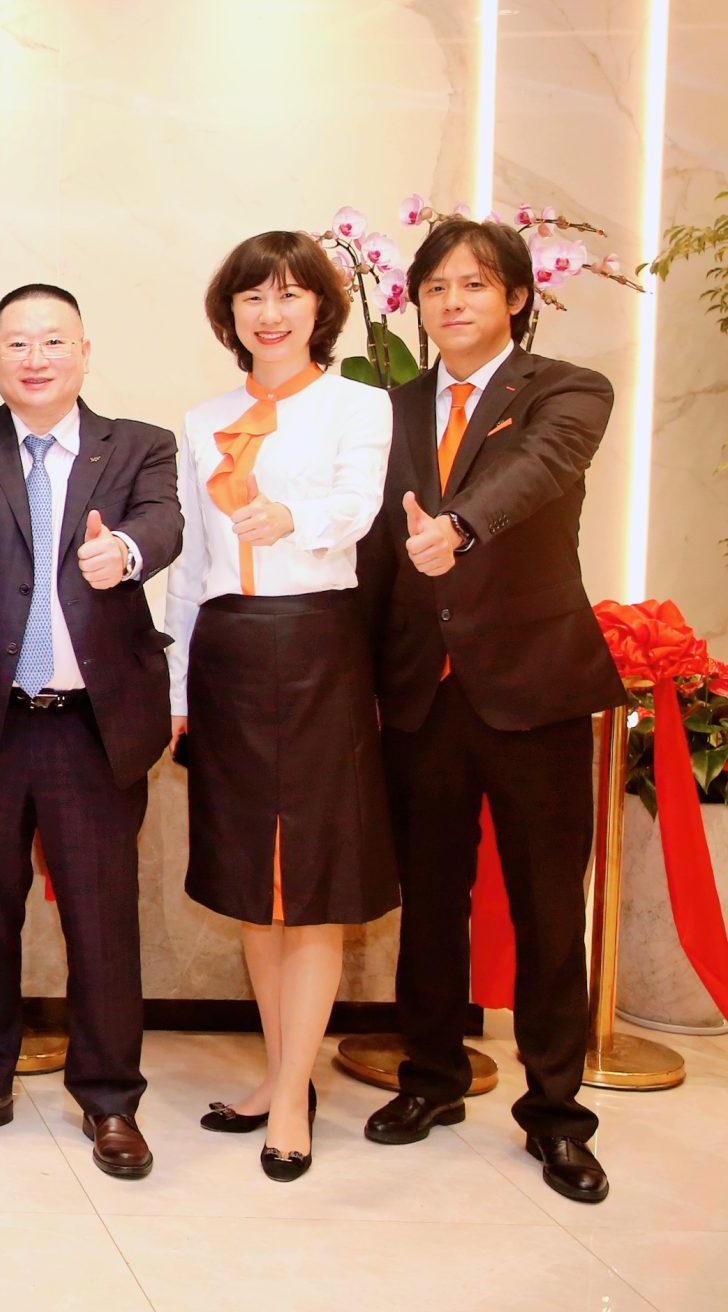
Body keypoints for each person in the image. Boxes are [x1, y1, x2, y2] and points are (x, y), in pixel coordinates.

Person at [355, 217, 623, 1204]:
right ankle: (431, 1079)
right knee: (430, 904)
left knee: (549, 912)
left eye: (474, 284)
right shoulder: (385, 410)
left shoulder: (567, 391)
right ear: (415, 303)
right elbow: (368, 555)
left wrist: (459, 526)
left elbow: (538, 469)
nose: (452, 301)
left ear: (515, 296)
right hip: (421, 693)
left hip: (533, 690)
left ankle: (556, 1115)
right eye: (435, 286)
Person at [0, 283, 182, 1179]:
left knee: (103, 921)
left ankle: (110, 1100)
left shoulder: (139, 445)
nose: (35, 358)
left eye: (53, 341)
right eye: (17, 343)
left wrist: (124, 553)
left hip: (91, 726)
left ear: (84, 353)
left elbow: (164, 522)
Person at [164, 234, 395, 1181]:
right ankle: (277, 1071)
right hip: (227, 651)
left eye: (291, 295)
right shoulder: (203, 419)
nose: (270, 313)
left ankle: (294, 1096)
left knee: (313, 888)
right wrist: (178, 688)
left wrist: (293, 518)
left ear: (320, 310)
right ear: (230, 314)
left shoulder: (358, 404)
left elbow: (359, 507)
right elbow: (190, 565)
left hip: (317, 647)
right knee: (253, 889)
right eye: (252, 297)